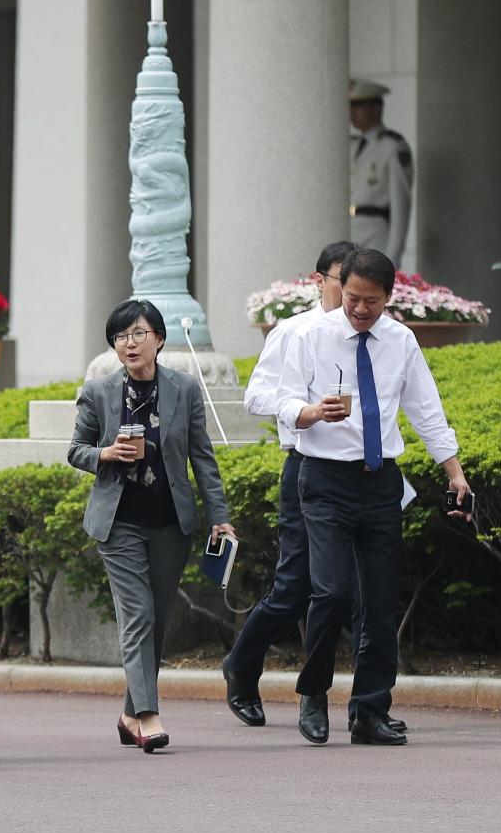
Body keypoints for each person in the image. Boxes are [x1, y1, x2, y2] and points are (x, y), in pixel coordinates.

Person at [275, 247, 471, 746]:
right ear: (340, 290)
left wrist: (454, 472)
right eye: (353, 299)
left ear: (389, 297)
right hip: (323, 480)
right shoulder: (311, 335)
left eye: (372, 302)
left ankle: (369, 710)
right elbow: (281, 398)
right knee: (333, 591)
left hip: (380, 482)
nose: (360, 310)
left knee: (381, 602)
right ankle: (314, 693)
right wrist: (313, 413)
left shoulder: (401, 340)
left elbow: (427, 409)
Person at [223, 239, 407, 733]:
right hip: (306, 468)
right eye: (342, 283)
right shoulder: (296, 331)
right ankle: (242, 667)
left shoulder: (390, 337)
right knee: (298, 589)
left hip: (367, 476)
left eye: (368, 292)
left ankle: (355, 704)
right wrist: (303, 411)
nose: (355, 299)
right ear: (323, 281)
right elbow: (258, 395)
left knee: (362, 595)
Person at [68, 299, 234, 753]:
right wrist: (105, 454)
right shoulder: (99, 392)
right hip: (118, 523)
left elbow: (203, 457)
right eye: (121, 337)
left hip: (170, 523)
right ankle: (148, 716)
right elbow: (75, 449)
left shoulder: (184, 388)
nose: (130, 343)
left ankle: (127, 714)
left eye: (139, 333)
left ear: (159, 339)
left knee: (156, 623)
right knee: (138, 616)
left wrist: (219, 517)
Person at [349, 79, 413, 265]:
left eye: (358, 105)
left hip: (376, 236)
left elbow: (401, 204)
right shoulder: (351, 146)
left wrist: (393, 254)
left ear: (376, 108)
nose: (352, 112)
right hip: (348, 231)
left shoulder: (392, 146)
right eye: (351, 105)